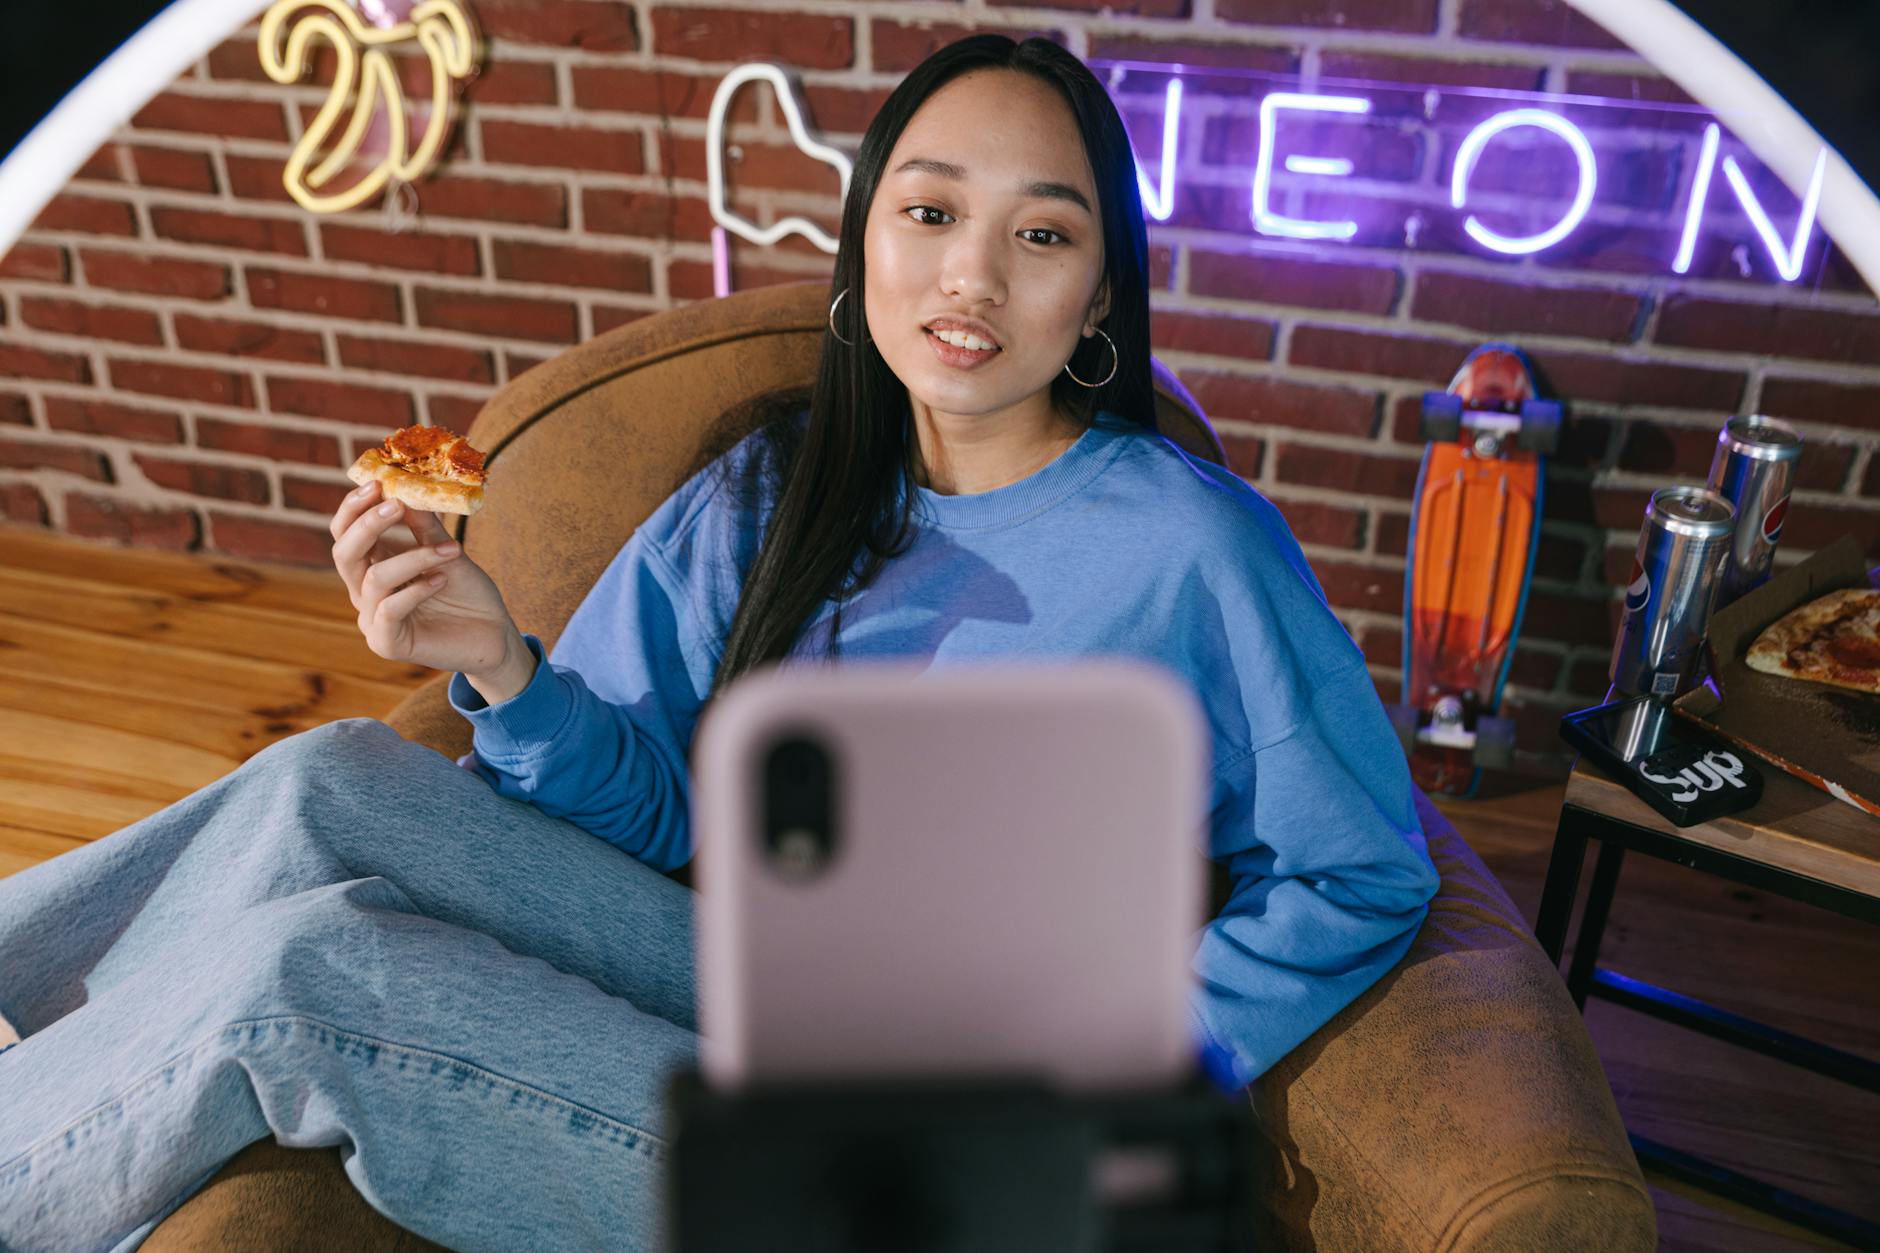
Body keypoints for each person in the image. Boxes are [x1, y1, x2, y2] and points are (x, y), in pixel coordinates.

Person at [0, 34, 1438, 1253]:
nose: (973, 280)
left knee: (303, 985)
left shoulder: (1194, 549)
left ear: (1104, 292)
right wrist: (504, 666)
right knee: (329, 777)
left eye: (1043, 233)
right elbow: (665, 812)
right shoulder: (774, 489)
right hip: (740, 972)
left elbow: (1360, 864)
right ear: (866, 235)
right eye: (931, 214)